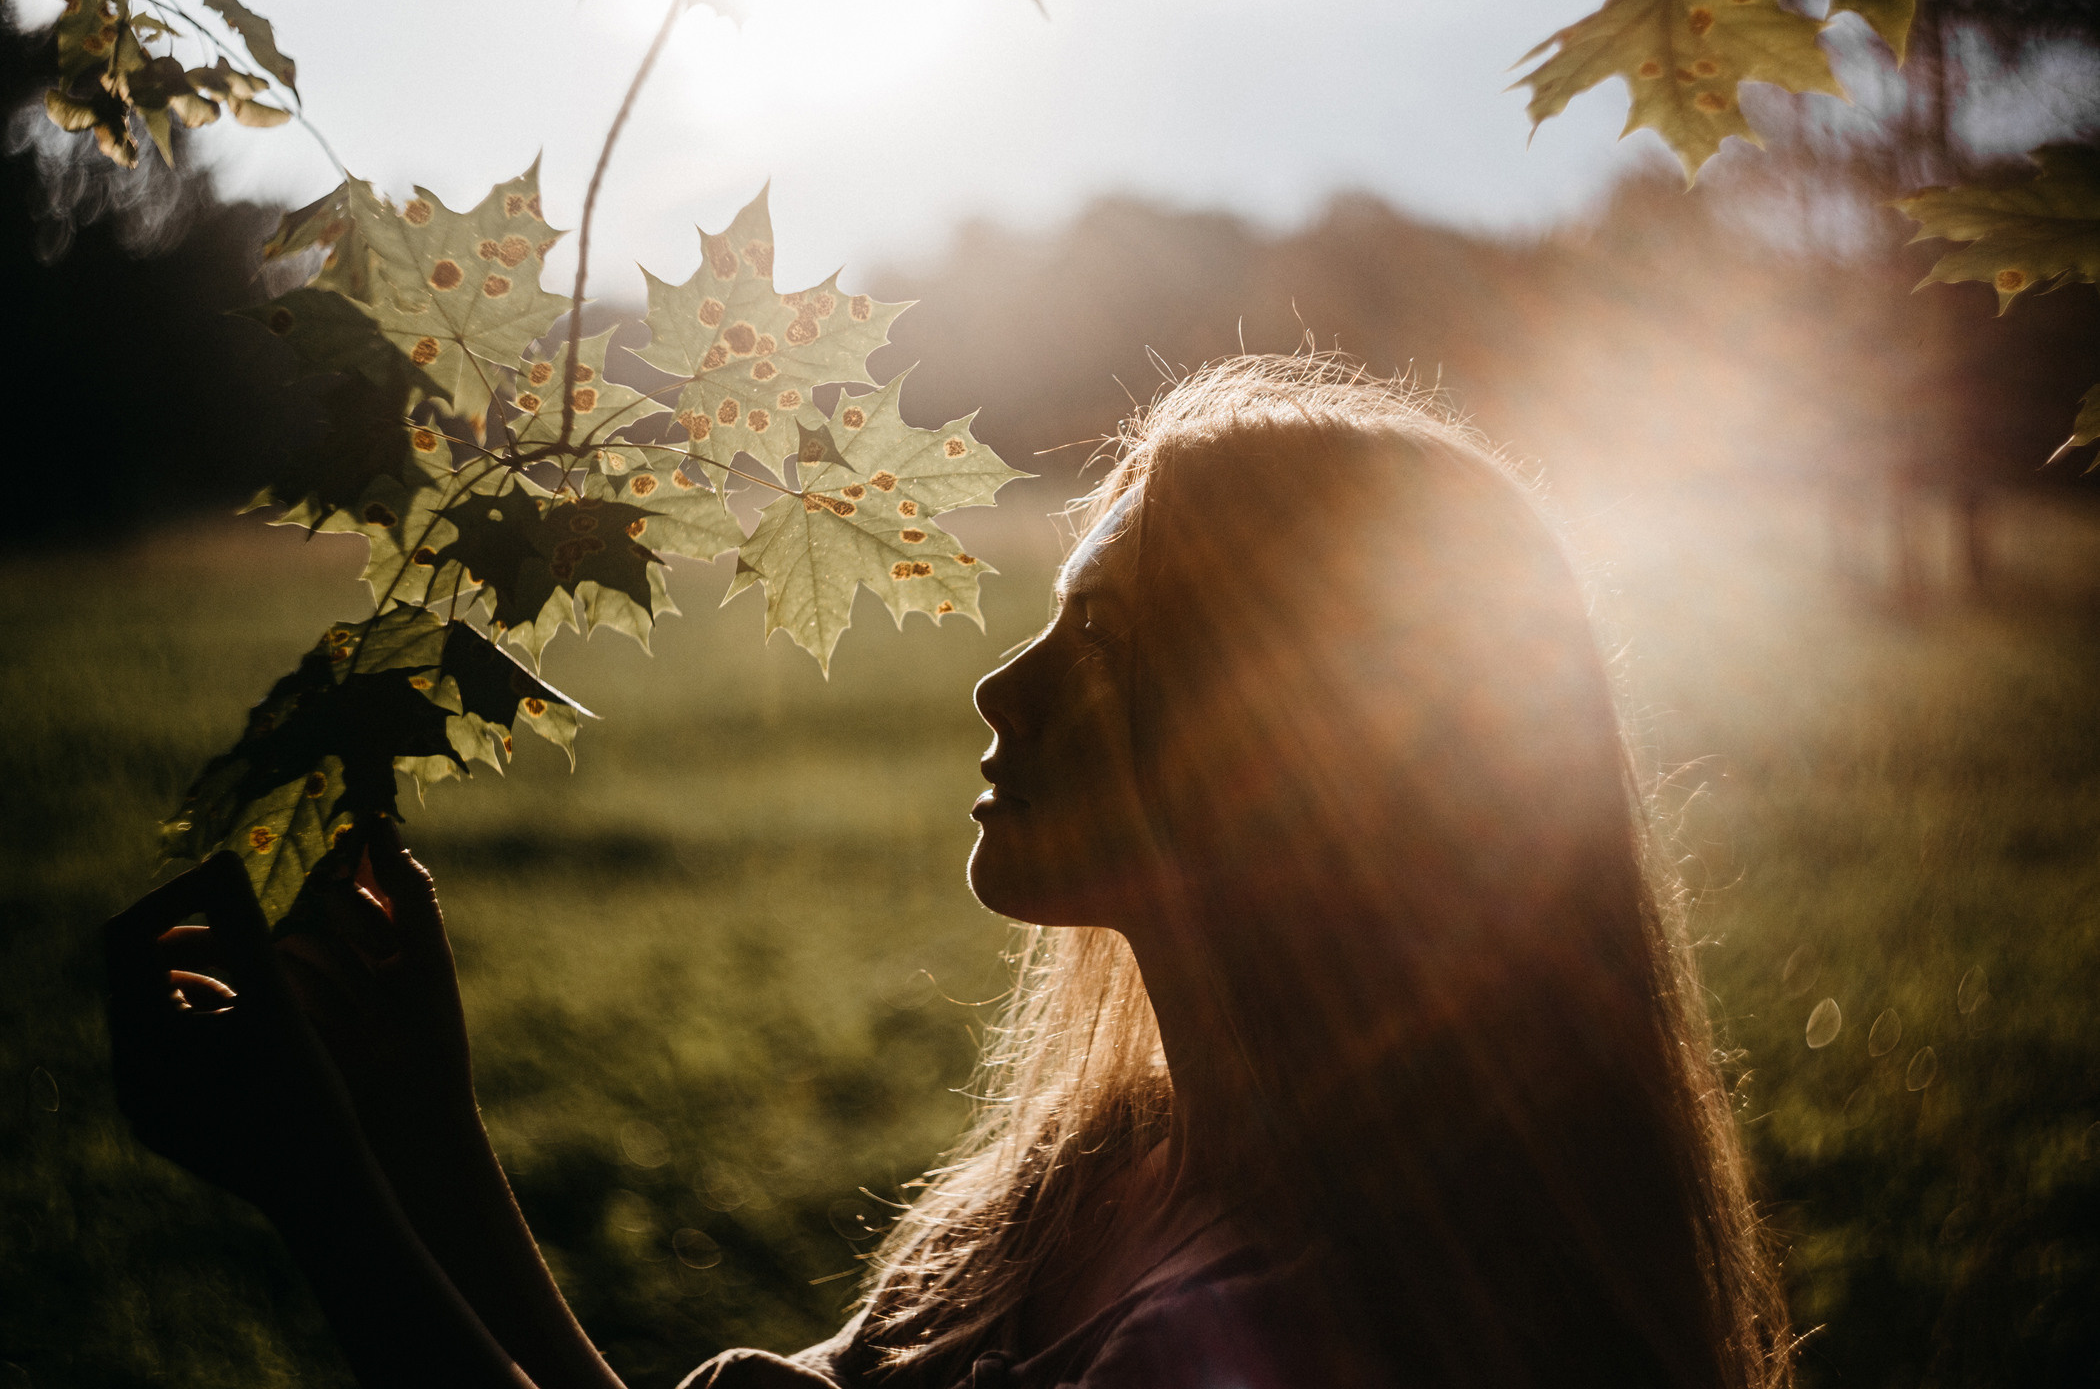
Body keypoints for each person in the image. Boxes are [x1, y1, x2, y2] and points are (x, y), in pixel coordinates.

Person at [106, 356, 1793, 1388]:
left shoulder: (1293, 1333)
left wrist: (330, 1202)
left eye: (1111, 643)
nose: (1003, 686)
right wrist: (418, 1131)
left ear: (1300, 746)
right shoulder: (1100, 1170)